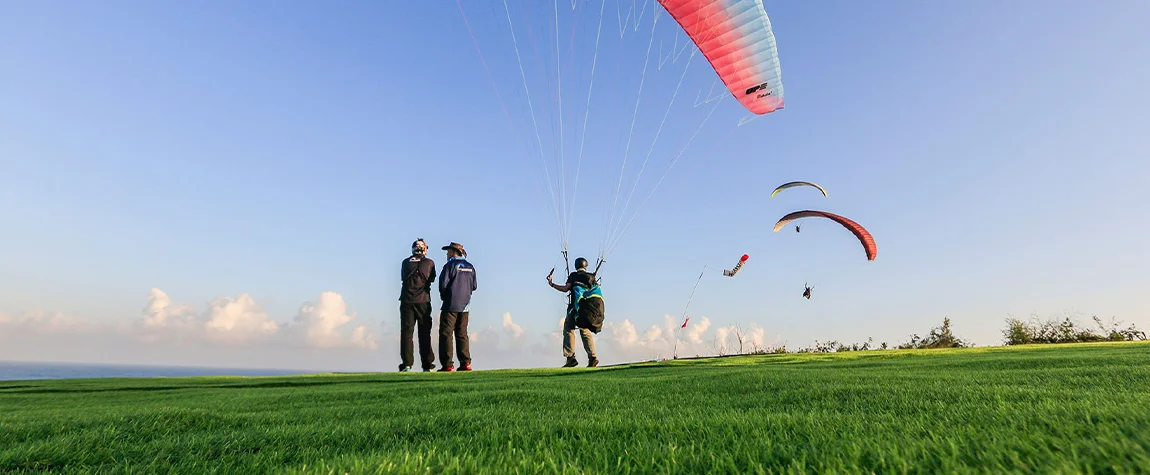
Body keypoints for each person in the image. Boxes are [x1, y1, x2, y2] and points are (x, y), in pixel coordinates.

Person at [547, 257, 599, 368]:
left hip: (575, 308)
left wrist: (552, 284)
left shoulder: (574, 276)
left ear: (576, 266)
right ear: (586, 266)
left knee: (568, 328)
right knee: (584, 330)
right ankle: (592, 357)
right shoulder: (591, 277)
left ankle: (570, 358)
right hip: (586, 310)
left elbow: (566, 288)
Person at [437, 242, 476, 372]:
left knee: (446, 334)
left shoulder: (449, 265)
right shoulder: (470, 267)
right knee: (462, 334)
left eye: (448, 252)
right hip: (465, 306)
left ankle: (448, 365)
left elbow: (443, 284)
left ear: (453, 252)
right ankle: (466, 363)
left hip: (450, 305)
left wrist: (444, 296)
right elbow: (474, 286)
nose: (447, 254)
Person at [398, 238, 436, 372]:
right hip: (423, 301)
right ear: (425, 249)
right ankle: (427, 365)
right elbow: (431, 279)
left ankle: (407, 364)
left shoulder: (405, 262)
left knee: (407, 333)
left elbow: (403, 277)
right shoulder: (430, 263)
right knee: (424, 333)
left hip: (407, 300)